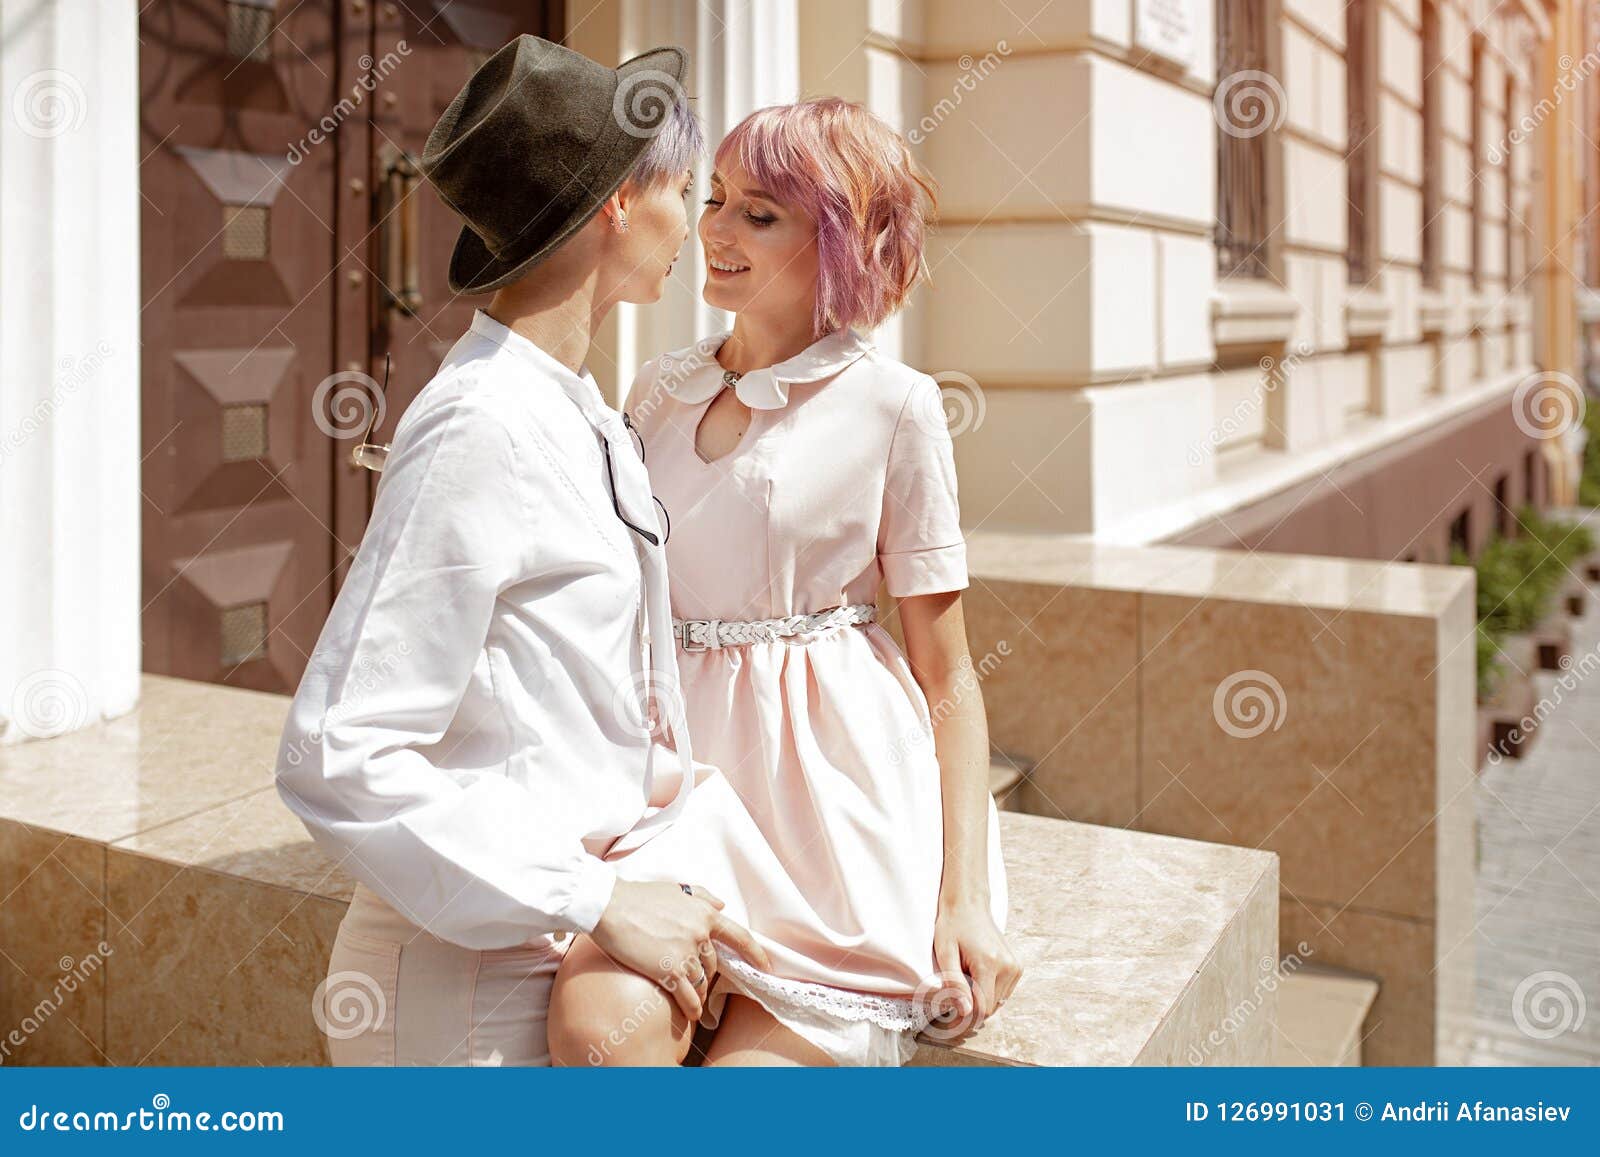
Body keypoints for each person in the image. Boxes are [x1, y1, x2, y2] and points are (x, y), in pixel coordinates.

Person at [274, 34, 767, 1068]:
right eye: (681, 188)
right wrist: (595, 899)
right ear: (615, 206)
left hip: (559, 956)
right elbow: (336, 752)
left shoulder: (581, 409)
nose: (692, 222)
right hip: (469, 997)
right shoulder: (480, 423)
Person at [546, 98, 1021, 1068]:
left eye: (759, 214)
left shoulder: (897, 407)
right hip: (666, 789)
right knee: (598, 1037)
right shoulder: (656, 390)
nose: (715, 229)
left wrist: (963, 894)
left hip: (828, 814)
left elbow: (949, 675)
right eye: (715, 199)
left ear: (842, 240)